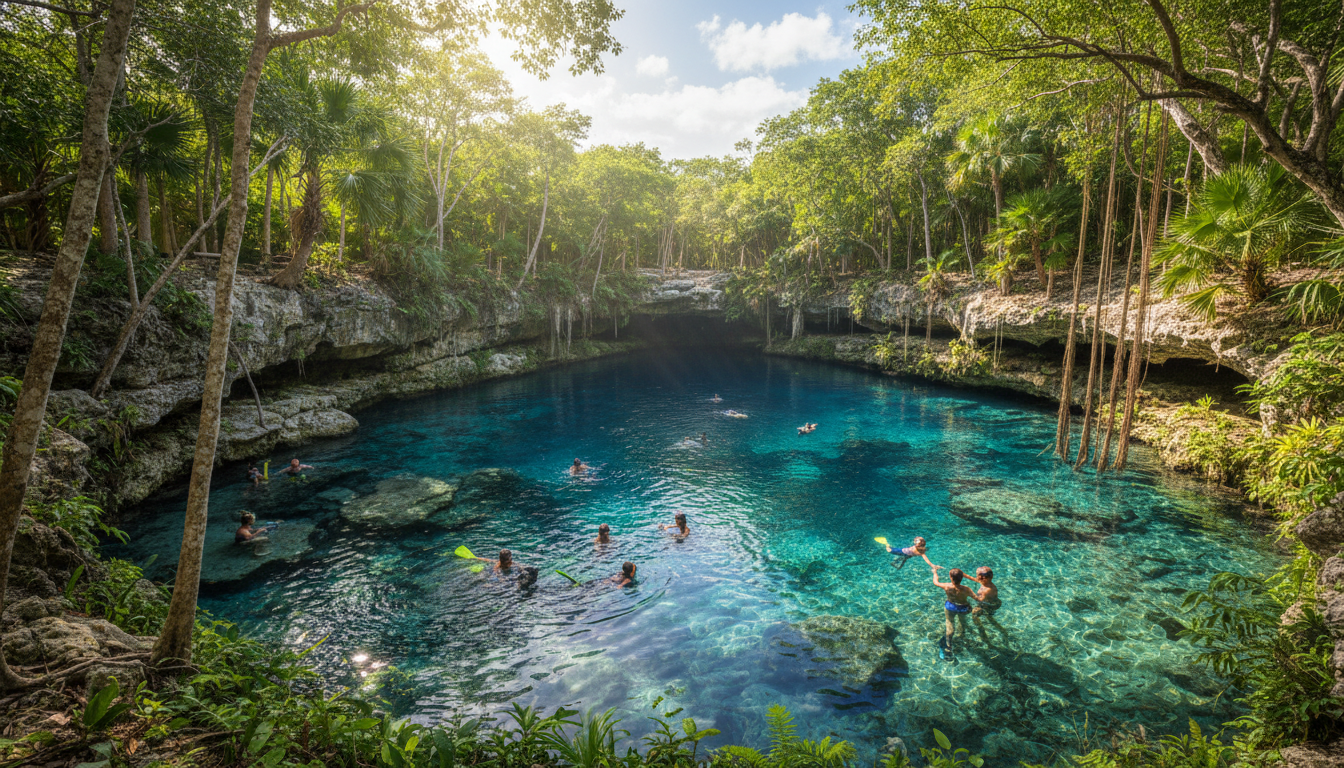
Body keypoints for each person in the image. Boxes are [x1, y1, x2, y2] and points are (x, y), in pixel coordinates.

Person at [932, 567, 978, 660]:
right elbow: (977, 598)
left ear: (950, 577)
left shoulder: (946, 586)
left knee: (949, 622)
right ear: (962, 578)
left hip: (951, 606)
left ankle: (948, 645)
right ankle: (962, 635)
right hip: (963, 608)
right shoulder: (966, 589)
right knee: (962, 621)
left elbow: (935, 582)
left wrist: (935, 572)